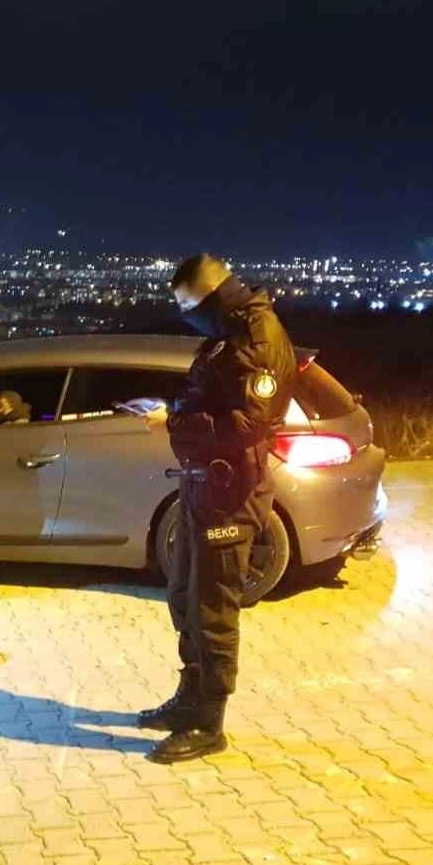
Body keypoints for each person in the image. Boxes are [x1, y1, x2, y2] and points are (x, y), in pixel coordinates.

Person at [137, 253, 295, 762]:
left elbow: (246, 425)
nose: (185, 315)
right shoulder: (229, 333)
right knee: (186, 596)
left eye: (188, 305)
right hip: (204, 485)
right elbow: (214, 398)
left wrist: (173, 423)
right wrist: (176, 411)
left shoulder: (257, 340)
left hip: (232, 493)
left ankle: (209, 724)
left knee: (214, 608)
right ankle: (190, 698)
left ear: (212, 294)